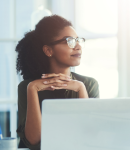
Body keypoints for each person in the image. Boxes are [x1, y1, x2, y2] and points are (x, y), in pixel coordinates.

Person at [15, 14, 99, 150]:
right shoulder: (28, 87)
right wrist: (32, 89)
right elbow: (33, 141)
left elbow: (90, 137)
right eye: (70, 41)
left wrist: (81, 89)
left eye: (78, 40)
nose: (78, 47)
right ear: (48, 50)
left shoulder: (88, 84)